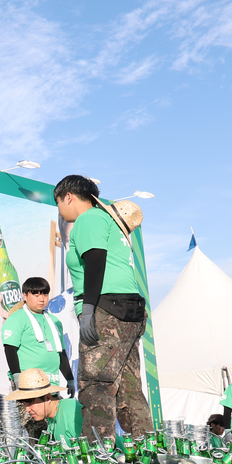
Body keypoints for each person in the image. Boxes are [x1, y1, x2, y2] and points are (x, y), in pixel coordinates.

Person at [56, 175, 151, 443]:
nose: (60, 209)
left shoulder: (88, 219)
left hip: (106, 308)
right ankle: (148, 452)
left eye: (58, 202)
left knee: (96, 386)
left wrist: (88, 310)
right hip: (131, 310)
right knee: (129, 388)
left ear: (69, 196)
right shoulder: (110, 222)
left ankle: (99, 458)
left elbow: (96, 260)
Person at [2, 276, 75, 393]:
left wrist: (70, 379)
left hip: (52, 384)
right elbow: (10, 349)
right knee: (31, 412)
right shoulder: (17, 318)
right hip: (28, 384)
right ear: (24, 296)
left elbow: (61, 352)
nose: (42, 299)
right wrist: (16, 377)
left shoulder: (54, 320)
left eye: (45, 294)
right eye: (36, 295)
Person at [10, 369, 83, 443]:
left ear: (48, 398)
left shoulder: (70, 410)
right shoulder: (52, 417)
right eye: (24, 404)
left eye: (30, 403)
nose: (27, 409)